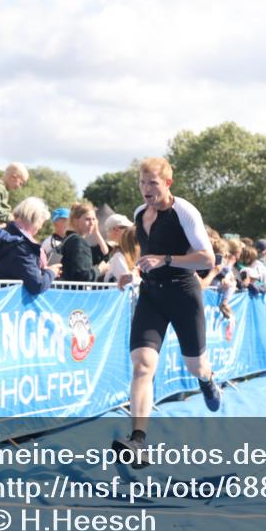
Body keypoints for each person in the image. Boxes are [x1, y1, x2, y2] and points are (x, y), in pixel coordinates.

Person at [112, 157, 219, 466]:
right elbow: (147, 257)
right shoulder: (138, 215)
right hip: (152, 294)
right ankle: (138, 441)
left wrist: (166, 259)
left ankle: (208, 379)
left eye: (153, 183)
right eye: (142, 183)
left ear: (167, 184)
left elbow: (207, 260)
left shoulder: (184, 212)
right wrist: (132, 274)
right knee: (142, 365)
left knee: (195, 366)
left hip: (184, 293)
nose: (146, 189)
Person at [0, 197, 62, 294]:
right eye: (41, 222)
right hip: (13, 305)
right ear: (34, 218)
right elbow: (37, 285)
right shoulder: (21, 246)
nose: (40, 227)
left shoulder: (3, 237)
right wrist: (51, 272)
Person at [60, 202, 110, 282]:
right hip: (75, 292)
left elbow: (105, 254)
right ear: (76, 221)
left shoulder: (69, 239)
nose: (91, 223)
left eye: (94, 219)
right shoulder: (78, 242)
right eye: (87, 219)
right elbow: (83, 276)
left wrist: (96, 232)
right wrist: (99, 269)